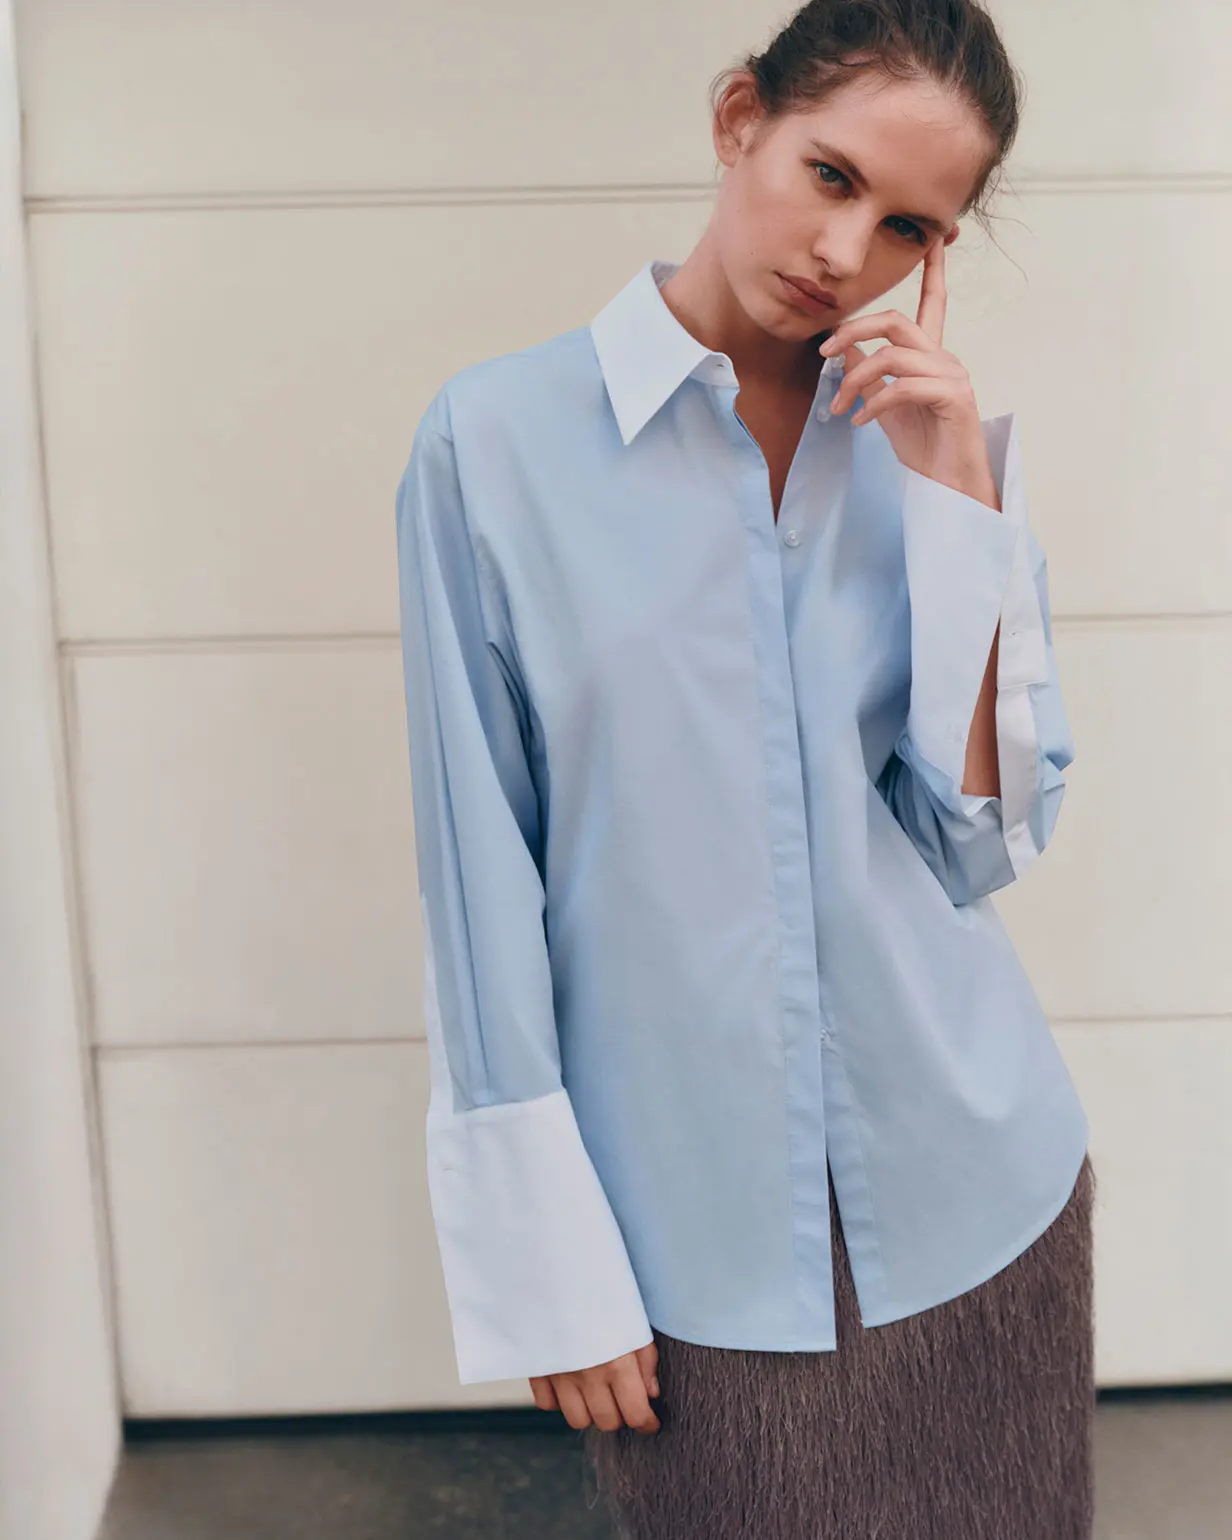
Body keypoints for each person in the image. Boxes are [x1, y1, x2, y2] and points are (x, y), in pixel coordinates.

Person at [393, 2, 1097, 1535]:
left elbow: (979, 834)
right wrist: (547, 1265)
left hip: (979, 1191)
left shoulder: (914, 446)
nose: (848, 253)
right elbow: (480, 872)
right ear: (738, 120)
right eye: (829, 175)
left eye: (910, 222)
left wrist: (958, 492)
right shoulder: (492, 449)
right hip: (688, 1235)